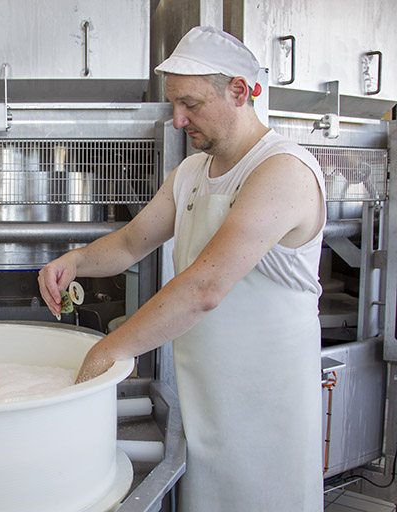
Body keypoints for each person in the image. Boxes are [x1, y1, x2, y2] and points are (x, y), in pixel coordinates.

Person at [38, 26, 325, 511]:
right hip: (207, 397)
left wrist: (108, 351)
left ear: (238, 90)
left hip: (267, 407)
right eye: (173, 104)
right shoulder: (191, 173)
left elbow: (205, 288)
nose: (177, 120)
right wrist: (76, 261)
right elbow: (132, 242)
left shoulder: (282, 171)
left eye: (190, 104)